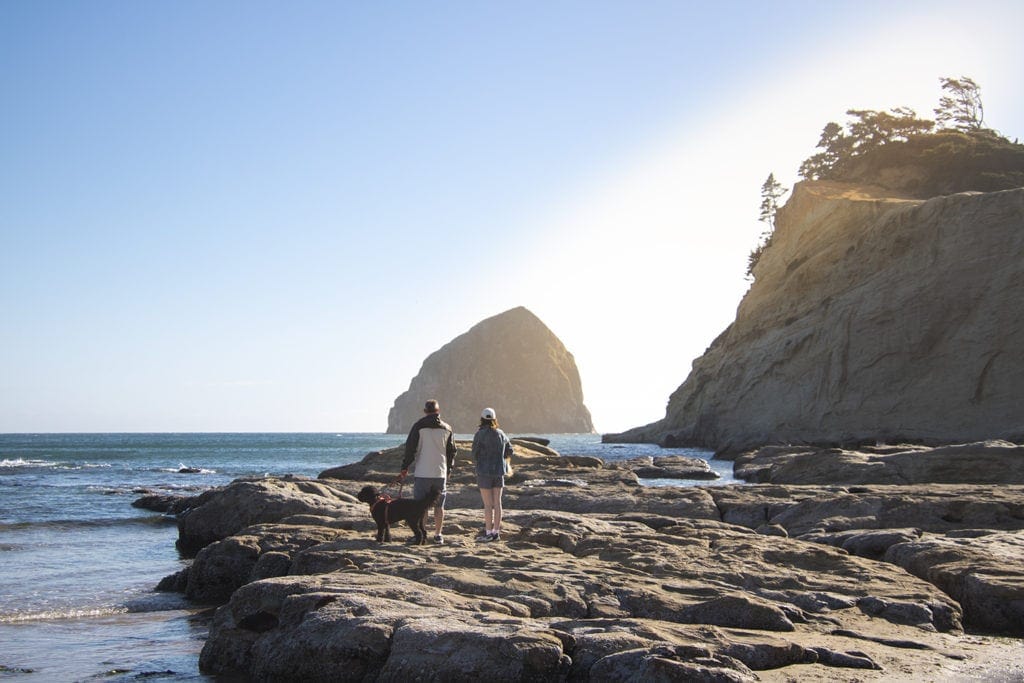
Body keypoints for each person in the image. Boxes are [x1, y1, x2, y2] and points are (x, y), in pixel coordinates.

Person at [400, 399, 457, 544]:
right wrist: (449, 469)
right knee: (439, 506)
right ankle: (438, 535)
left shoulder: (418, 426)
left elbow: (410, 449)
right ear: (438, 411)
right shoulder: (447, 428)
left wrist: (404, 467)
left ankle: (422, 534)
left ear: (425, 411)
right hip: (440, 472)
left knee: (421, 506)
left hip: (422, 472)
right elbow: (452, 452)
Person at [472, 407, 513, 542]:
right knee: (498, 503)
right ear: (494, 419)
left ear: (482, 419)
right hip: (499, 472)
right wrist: (502, 459)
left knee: (488, 505)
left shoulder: (479, 434)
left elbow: (474, 453)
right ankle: (496, 532)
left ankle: (488, 532)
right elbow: (510, 450)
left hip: (484, 472)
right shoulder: (501, 433)